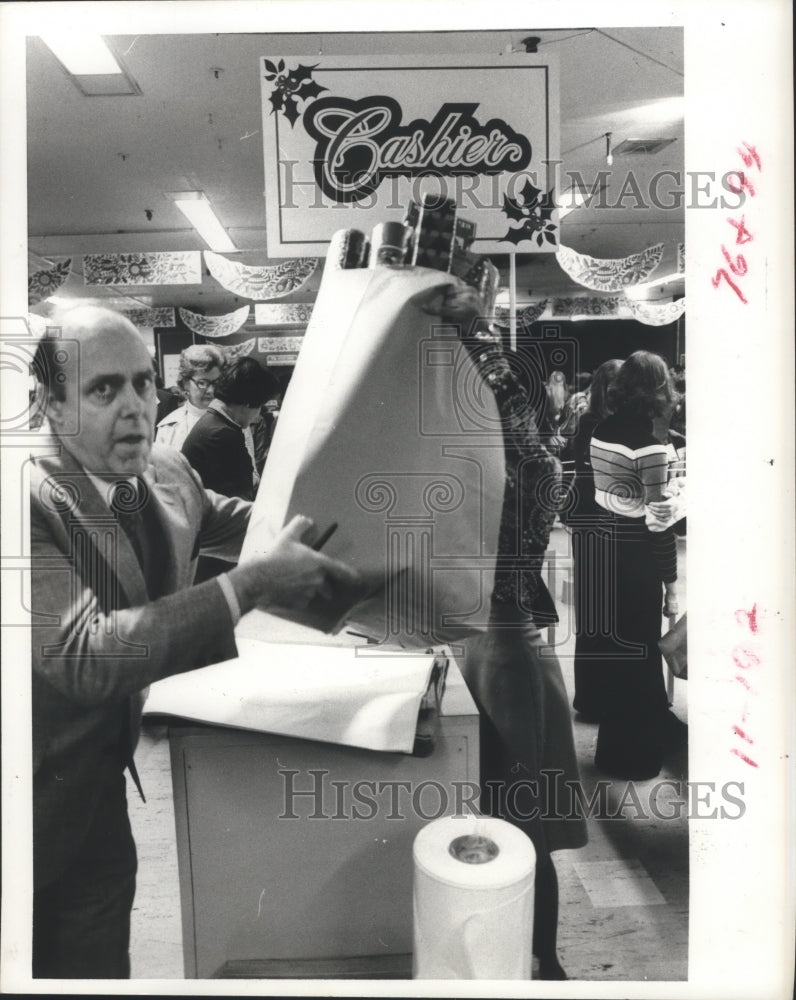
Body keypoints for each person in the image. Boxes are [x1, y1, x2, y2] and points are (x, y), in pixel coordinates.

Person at [28, 306, 362, 979]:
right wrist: (247, 589)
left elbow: (245, 521)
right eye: (104, 390)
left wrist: (359, 509)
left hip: (96, 793)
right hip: (24, 805)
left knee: (93, 969)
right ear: (49, 403)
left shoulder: (166, 470)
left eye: (144, 384)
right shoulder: (25, 501)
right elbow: (85, 657)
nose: (135, 408)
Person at [424, 286, 587, 980]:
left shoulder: (517, 467)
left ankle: (540, 962)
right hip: (500, 641)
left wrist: (467, 328)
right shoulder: (520, 463)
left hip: (502, 648)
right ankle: (527, 955)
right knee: (508, 814)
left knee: (520, 821)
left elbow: (499, 394)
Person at [588, 350, 687, 779]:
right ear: (661, 389)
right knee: (642, 651)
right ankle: (638, 757)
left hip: (605, 549)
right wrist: (684, 496)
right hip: (639, 557)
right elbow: (656, 519)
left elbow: (615, 497)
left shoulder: (602, 428)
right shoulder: (652, 445)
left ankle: (615, 753)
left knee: (622, 654)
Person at [565, 358, 624, 720]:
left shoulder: (595, 420)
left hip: (594, 521)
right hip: (595, 522)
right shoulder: (595, 422)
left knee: (599, 610)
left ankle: (596, 696)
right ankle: (591, 698)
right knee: (595, 611)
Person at [181, 357, 274, 503]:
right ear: (248, 403)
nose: (257, 416)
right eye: (259, 407)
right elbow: (240, 500)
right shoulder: (222, 434)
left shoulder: (214, 423)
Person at [154, 343, 224, 449]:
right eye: (202, 383)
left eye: (216, 382)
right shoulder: (168, 427)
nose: (211, 390)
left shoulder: (234, 421)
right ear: (186, 383)